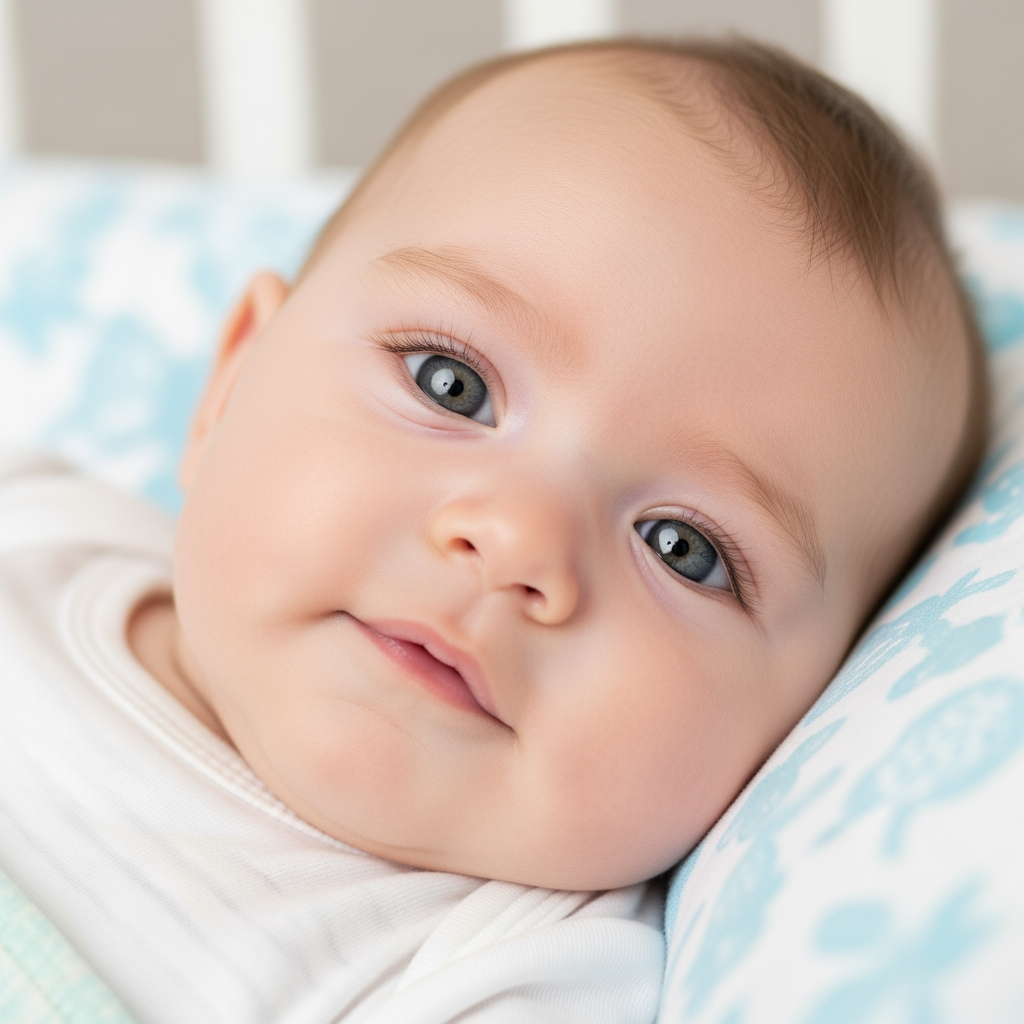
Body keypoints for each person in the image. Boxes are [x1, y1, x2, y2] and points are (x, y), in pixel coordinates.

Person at [0, 38, 986, 1024]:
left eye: (681, 547)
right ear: (230, 384)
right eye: (450, 383)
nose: (516, 540)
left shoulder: (507, 976)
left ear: (800, 725)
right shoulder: (32, 526)